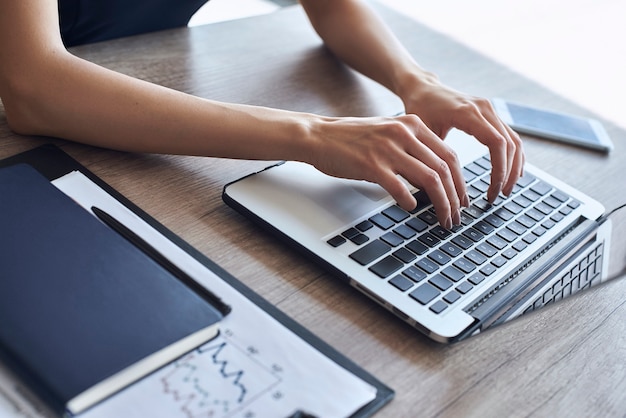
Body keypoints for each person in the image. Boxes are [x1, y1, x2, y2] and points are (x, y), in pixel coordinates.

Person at [0, 0, 524, 230]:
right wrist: (312, 135)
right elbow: (33, 87)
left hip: (130, 104)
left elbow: (333, 6)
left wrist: (418, 82)